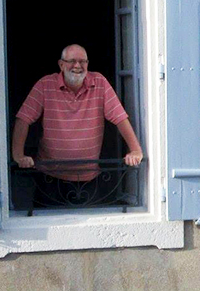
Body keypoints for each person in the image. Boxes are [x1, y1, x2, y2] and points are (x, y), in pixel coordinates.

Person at [12, 44, 143, 205]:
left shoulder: (99, 83)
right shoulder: (45, 85)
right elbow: (23, 119)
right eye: (72, 61)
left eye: (83, 61)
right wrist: (18, 155)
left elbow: (120, 118)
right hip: (49, 179)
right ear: (61, 64)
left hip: (88, 179)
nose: (77, 66)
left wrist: (135, 150)